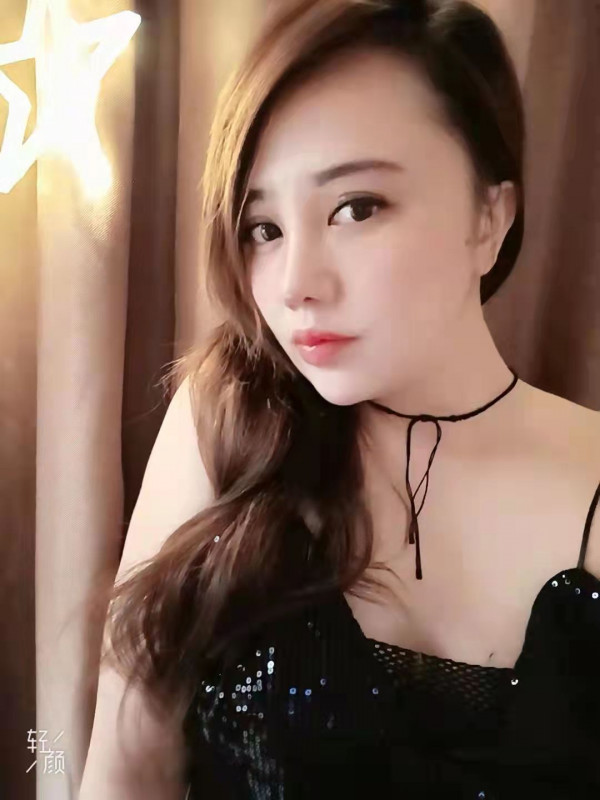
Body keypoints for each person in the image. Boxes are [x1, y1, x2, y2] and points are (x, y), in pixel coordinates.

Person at [80, 1, 600, 798]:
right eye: (264, 228)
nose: (296, 285)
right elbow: (120, 780)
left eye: (356, 208)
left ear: (490, 216)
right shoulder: (227, 420)